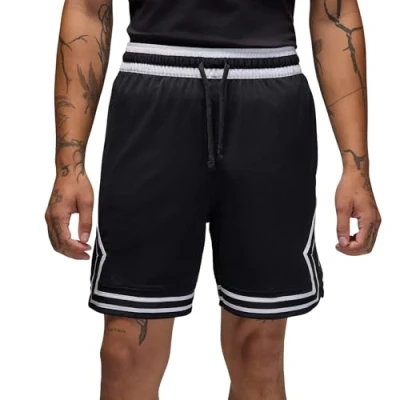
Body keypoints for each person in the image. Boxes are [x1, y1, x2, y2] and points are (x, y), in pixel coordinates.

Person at [45, 0, 381, 398]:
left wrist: (356, 168)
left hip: (268, 105)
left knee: (258, 351)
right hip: (152, 99)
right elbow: (87, 9)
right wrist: (68, 165)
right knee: (124, 355)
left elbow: (334, 14)